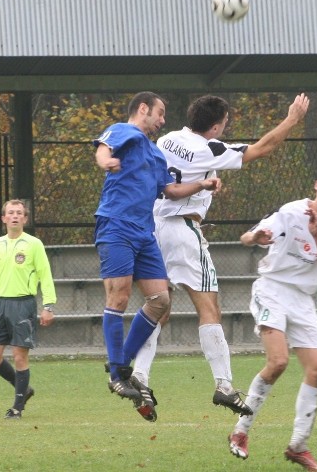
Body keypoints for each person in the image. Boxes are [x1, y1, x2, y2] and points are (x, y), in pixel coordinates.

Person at [130, 93, 310, 419]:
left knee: (159, 307)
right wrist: (292, 119)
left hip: (151, 226)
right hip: (182, 231)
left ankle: (140, 375)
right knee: (209, 308)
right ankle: (224, 384)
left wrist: (207, 182)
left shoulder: (169, 139)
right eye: (225, 122)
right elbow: (262, 148)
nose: (225, 128)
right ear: (215, 125)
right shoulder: (210, 148)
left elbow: (168, 175)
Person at [94, 91, 221, 421]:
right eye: (160, 113)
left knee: (160, 301)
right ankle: (117, 375)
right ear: (142, 109)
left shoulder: (153, 151)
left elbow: (171, 190)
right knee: (119, 296)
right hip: (116, 225)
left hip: (144, 232)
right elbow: (104, 147)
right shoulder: (127, 131)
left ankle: (121, 363)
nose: (163, 120)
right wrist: (105, 160)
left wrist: (202, 184)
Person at [228, 164, 317, 472]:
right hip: (272, 288)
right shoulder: (290, 211)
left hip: (302, 299)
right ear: (316, 184)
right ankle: (240, 431)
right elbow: (246, 237)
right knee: (278, 362)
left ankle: (298, 446)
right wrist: (257, 237)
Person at [0, 199, 57, 419]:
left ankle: (17, 407)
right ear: (4, 218)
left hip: (23, 305)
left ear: (25, 218)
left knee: (19, 357)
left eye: (19, 213)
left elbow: (45, 275)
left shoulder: (34, 244)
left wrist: (48, 305)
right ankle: (24, 389)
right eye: (10, 213)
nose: (15, 216)